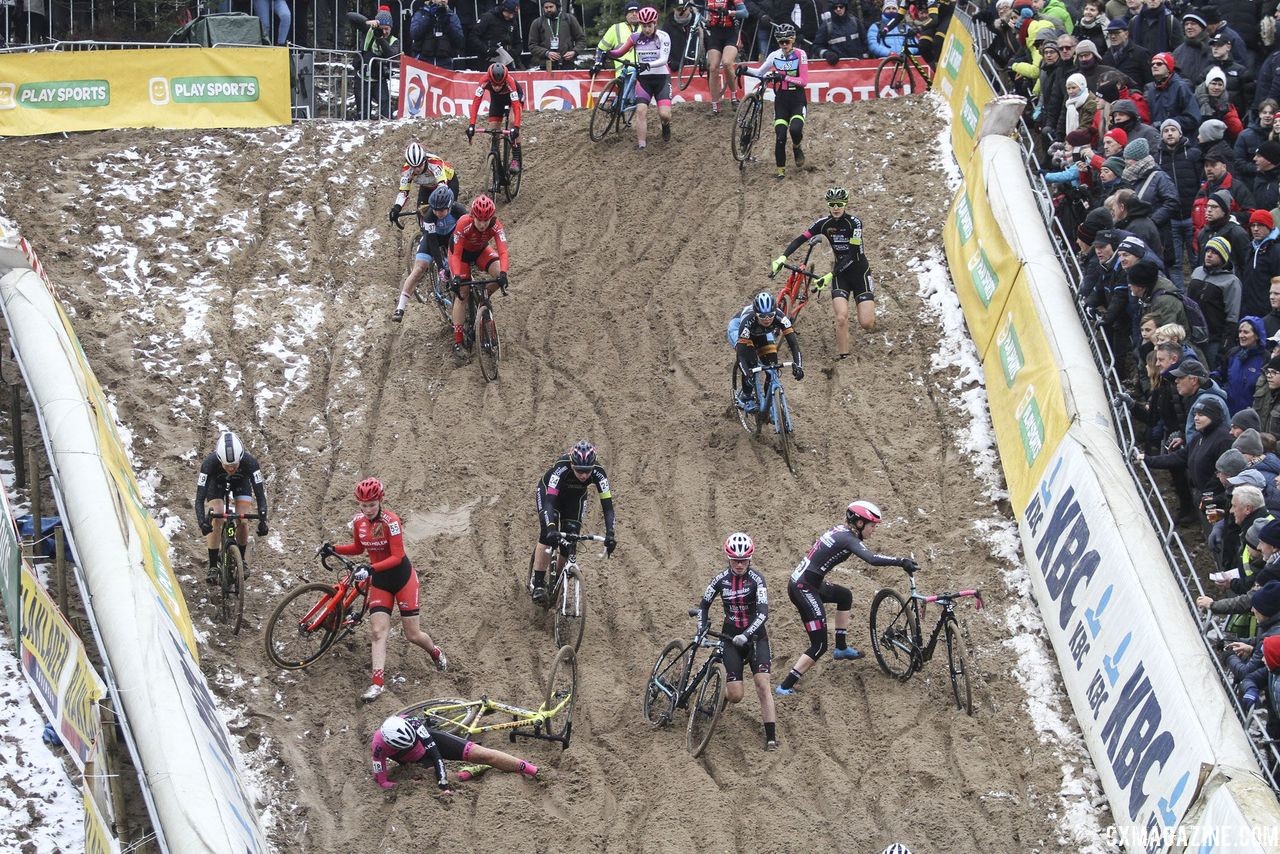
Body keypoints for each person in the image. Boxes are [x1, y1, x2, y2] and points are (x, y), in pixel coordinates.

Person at [323, 477, 446, 701]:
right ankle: (377, 684)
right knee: (378, 632)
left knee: (413, 634)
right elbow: (358, 547)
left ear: (380, 501)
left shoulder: (391, 521)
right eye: (363, 505)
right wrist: (333, 548)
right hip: (380, 581)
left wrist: (370, 569)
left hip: (402, 579)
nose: (368, 509)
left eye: (372, 504)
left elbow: (398, 556)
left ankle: (435, 652)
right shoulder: (359, 522)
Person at [775, 500, 917, 695]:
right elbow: (872, 559)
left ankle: (841, 648)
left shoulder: (842, 531)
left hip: (808, 583)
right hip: (804, 589)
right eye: (872, 526)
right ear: (859, 523)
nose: (874, 530)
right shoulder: (848, 539)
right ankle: (785, 686)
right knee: (819, 645)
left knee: (844, 596)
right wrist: (901, 562)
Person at [696, 532, 777, 750]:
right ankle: (720, 693)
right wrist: (701, 628)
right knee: (736, 695)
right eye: (735, 560)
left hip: (755, 638)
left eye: (744, 560)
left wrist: (747, 634)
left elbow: (763, 613)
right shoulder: (720, 580)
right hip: (730, 638)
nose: (740, 564)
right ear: (728, 558)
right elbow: (703, 606)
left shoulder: (758, 580)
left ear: (750, 559)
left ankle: (771, 737)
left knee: (762, 684)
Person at [772, 187, 874, 357]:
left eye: (839, 204)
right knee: (841, 318)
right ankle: (844, 357)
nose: (836, 208)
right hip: (840, 275)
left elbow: (853, 254)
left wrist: (829, 275)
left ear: (845, 204)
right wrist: (783, 257)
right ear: (828, 204)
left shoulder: (854, 223)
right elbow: (800, 239)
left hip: (859, 272)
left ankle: (867, 309)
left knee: (866, 323)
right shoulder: (823, 223)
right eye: (832, 204)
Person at [531, 441, 617, 603]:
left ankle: (555, 585)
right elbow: (549, 502)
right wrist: (550, 527)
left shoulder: (599, 473)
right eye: (578, 470)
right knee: (547, 535)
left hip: (574, 500)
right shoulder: (561, 467)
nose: (583, 475)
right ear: (572, 463)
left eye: (587, 471)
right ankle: (539, 584)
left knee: (570, 541)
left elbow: (608, 508)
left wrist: (610, 534)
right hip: (550, 495)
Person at [371, 714, 538, 791]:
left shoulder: (413, 722)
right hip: (418, 760)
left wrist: (442, 781)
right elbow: (382, 782)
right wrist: (404, 785)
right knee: (447, 779)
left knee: (484, 754)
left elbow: (435, 752)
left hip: (432, 743)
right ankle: (472, 771)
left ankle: (532, 769)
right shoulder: (378, 748)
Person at [194, 431, 269, 585]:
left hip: (242, 483)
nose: (231, 469)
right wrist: (202, 522)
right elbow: (199, 498)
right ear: (219, 460)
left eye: (235, 465)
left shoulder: (250, 463)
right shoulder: (209, 464)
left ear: (241, 458)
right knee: (218, 516)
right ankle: (213, 565)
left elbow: (260, 494)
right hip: (217, 483)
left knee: (243, 519)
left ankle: (241, 561)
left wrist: (263, 519)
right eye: (227, 466)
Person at [600, 6, 674, 148]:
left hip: (661, 79)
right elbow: (620, 52)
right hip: (644, 80)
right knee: (640, 110)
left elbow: (664, 59)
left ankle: (665, 125)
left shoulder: (663, 37)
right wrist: (608, 53)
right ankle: (642, 145)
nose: (647, 29)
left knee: (664, 114)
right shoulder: (635, 37)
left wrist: (648, 64)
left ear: (655, 23)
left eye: (650, 26)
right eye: (644, 26)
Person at [392, 185, 467, 323]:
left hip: (452, 237)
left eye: (442, 211)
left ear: (450, 206)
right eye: (435, 210)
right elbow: (432, 242)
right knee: (419, 269)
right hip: (433, 239)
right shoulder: (429, 216)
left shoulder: (459, 211)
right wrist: (440, 267)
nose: (438, 213)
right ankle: (400, 307)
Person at [447, 195, 509, 357]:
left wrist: (503, 274)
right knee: (463, 294)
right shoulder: (463, 223)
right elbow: (456, 255)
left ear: (492, 218)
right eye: (479, 220)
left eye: (486, 220)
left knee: (498, 272)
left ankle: (484, 295)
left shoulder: (496, 226)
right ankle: (458, 341)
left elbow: (502, 251)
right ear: (473, 216)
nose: (482, 224)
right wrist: (457, 278)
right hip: (460, 255)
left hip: (480, 251)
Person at [745, 23, 808, 178]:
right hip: (781, 100)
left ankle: (796, 146)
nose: (784, 45)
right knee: (780, 136)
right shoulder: (774, 56)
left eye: (787, 41)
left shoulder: (801, 54)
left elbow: (804, 81)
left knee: (794, 130)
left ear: (792, 40)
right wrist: (744, 70)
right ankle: (780, 172)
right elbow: (760, 72)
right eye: (781, 42)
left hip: (797, 99)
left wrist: (784, 77)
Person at [730, 291, 803, 411]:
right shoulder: (748, 321)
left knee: (772, 365)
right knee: (750, 360)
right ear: (756, 313)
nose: (767, 319)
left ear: (775, 311)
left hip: (762, 332)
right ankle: (746, 397)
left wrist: (799, 366)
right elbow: (741, 355)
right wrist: (747, 373)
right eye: (762, 316)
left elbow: (794, 345)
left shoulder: (781, 318)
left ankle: (770, 404)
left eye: (770, 315)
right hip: (738, 328)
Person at [466, 62, 524, 172]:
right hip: (497, 100)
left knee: (512, 121)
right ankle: (496, 157)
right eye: (494, 85)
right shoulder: (484, 81)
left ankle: (516, 158)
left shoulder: (510, 81)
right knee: (493, 128)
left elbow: (516, 105)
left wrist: (516, 126)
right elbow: (476, 102)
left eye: (500, 85)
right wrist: (472, 124)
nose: (497, 87)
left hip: (515, 99)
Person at [389, 141, 461, 228]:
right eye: (414, 167)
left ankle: (455, 229)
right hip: (427, 186)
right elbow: (403, 192)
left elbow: (442, 186)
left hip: (448, 182)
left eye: (419, 165)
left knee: (446, 209)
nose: (417, 169)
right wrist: (396, 208)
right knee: (421, 215)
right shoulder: (407, 170)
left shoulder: (434, 163)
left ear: (424, 160)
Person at [701, 0, 746, 115]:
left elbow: (745, 13)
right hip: (715, 33)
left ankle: (734, 97)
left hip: (731, 33)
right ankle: (715, 106)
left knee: (727, 62)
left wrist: (730, 12)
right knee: (713, 68)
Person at [356, 6, 402, 120]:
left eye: (387, 29)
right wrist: (366, 21)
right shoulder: (368, 31)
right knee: (363, 113)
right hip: (363, 77)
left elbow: (391, 54)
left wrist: (380, 38)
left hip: (379, 79)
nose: (385, 31)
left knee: (386, 111)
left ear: (391, 27)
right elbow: (350, 17)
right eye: (382, 28)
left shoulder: (394, 41)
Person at [528, 0, 586, 69]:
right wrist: (546, 53)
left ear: (557, 6)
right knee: (549, 79)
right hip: (547, 64)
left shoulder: (569, 19)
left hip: (567, 63)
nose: (548, 9)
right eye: (546, 7)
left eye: (551, 7)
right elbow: (532, 45)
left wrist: (574, 52)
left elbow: (581, 39)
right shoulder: (537, 23)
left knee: (566, 79)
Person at [407, 0, 465, 68]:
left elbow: (459, 40)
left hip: (445, 63)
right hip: (423, 61)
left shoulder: (452, 16)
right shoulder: (421, 13)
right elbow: (414, 34)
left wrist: (447, 23)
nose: (443, 0)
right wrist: (428, 17)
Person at [471, 0, 522, 69]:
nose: (511, 16)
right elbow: (473, 36)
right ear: (503, 9)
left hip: (506, 60)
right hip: (488, 59)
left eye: (514, 14)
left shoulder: (513, 21)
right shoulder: (488, 18)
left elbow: (518, 42)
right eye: (509, 13)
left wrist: (513, 53)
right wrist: (487, 50)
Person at [596, 1, 641, 75]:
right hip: (623, 74)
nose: (634, 14)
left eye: (637, 12)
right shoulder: (616, 28)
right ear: (626, 15)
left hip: (643, 74)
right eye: (631, 12)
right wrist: (598, 64)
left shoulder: (646, 28)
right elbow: (601, 49)